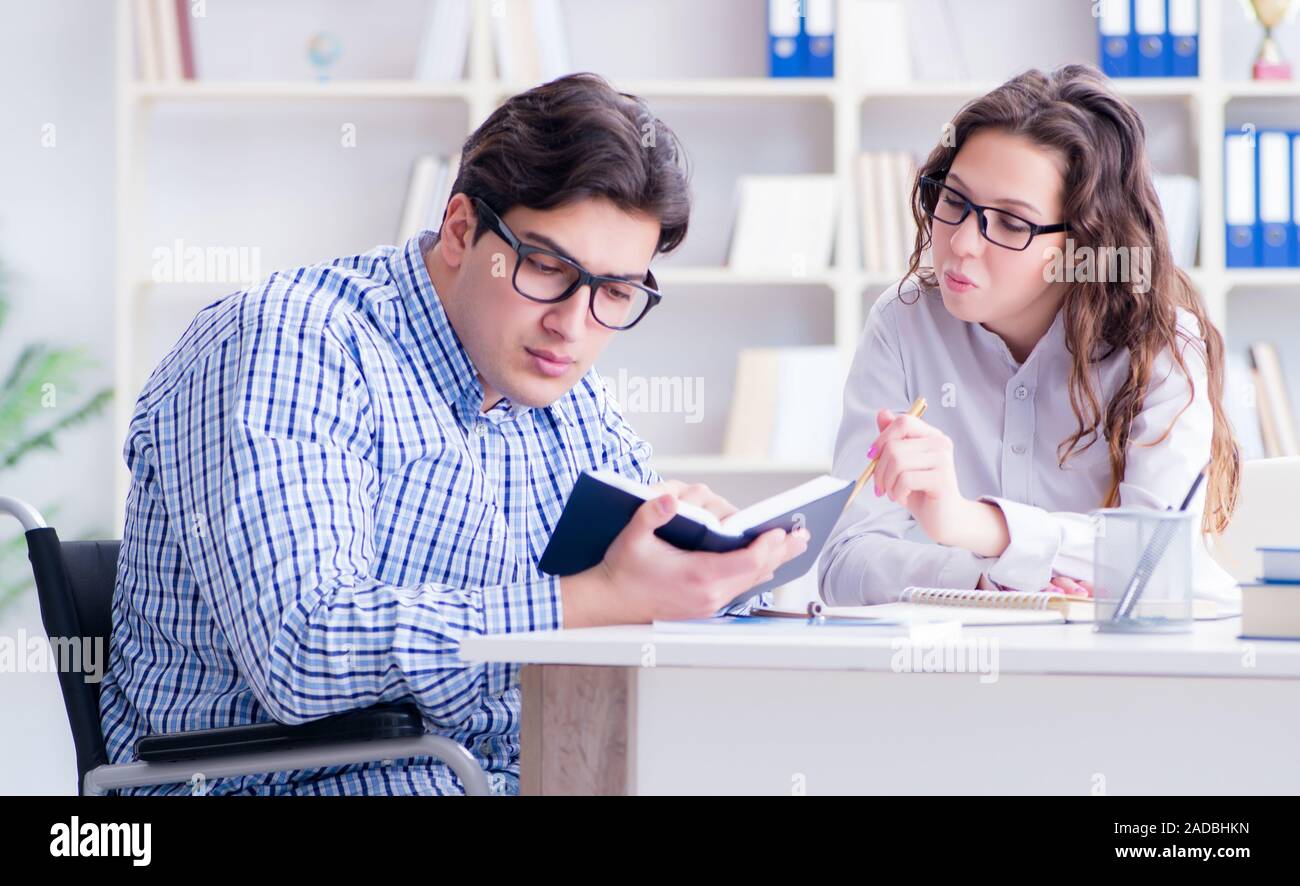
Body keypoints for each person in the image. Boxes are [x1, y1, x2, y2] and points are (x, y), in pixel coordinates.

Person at [99, 73, 808, 795]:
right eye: (546, 268)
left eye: (615, 293)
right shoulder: (292, 342)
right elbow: (304, 649)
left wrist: (708, 567)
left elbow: (628, 609)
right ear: (464, 229)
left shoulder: (566, 394)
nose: (573, 323)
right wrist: (594, 599)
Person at [819, 65, 1240, 606]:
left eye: (1013, 224)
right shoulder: (904, 323)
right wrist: (982, 579)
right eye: (953, 201)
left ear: (1081, 241)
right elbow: (844, 559)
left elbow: (1157, 559)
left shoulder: (1159, 345)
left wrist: (974, 525)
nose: (963, 243)